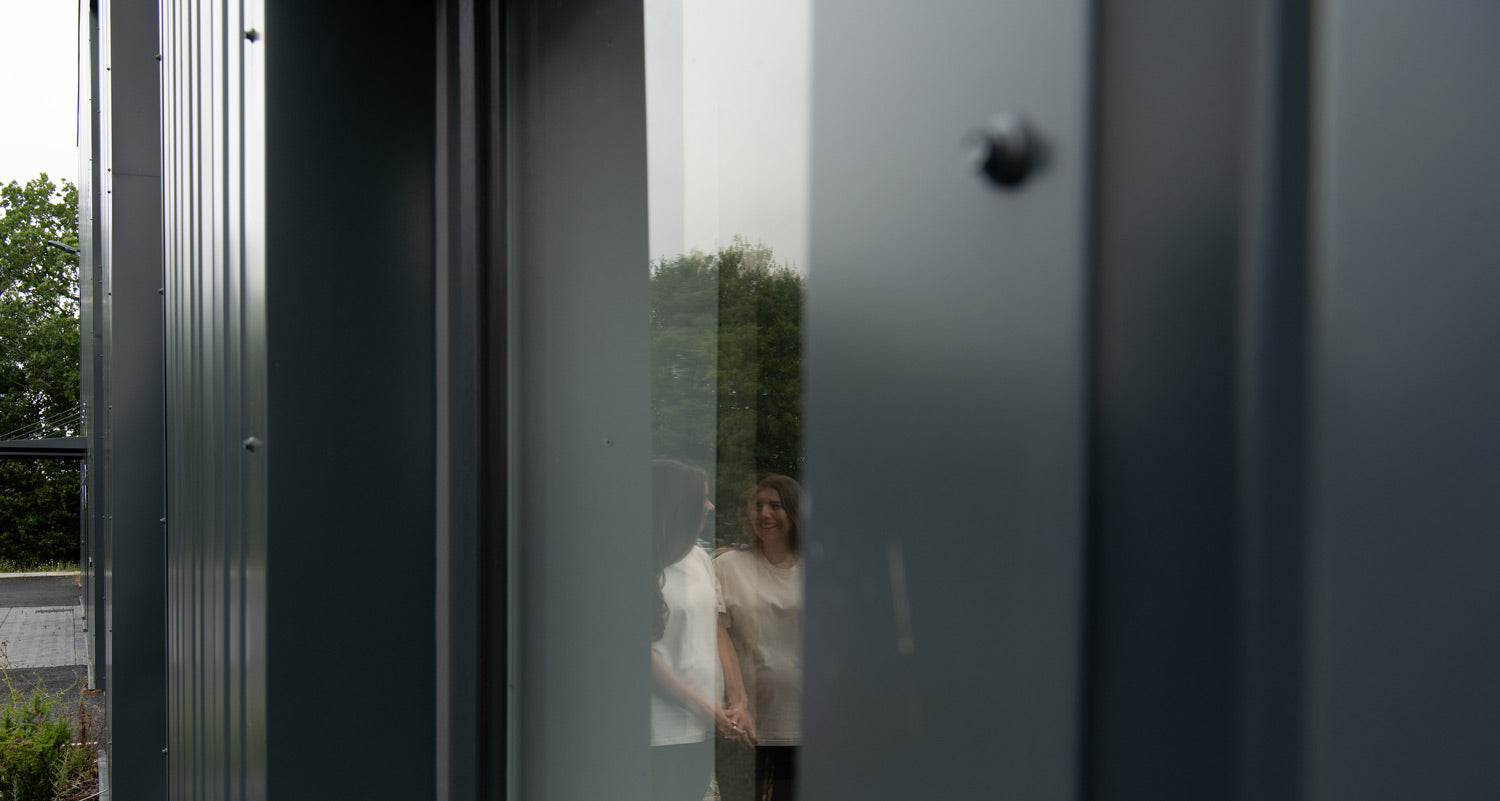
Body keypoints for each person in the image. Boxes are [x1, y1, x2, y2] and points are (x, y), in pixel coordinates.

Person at [651, 459, 754, 801]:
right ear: (677, 504)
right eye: (703, 498)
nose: (710, 506)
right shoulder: (636, 562)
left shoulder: (698, 557)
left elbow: (716, 630)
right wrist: (703, 709)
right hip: (657, 731)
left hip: (704, 727)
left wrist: (739, 702)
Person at [715, 474, 804, 801]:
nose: (765, 514)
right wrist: (732, 705)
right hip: (742, 720)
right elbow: (714, 638)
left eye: (775, 506)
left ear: (794, 512)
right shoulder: (727, 566)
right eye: (758, 506)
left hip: (801, 718)